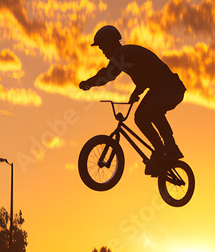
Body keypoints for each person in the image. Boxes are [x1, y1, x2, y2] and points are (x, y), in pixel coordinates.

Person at [79, 25, 187, 176]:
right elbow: (145, 75)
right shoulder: (125, 55)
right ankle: (159, 151)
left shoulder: (123, 54)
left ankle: (170, 147)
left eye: (103, 47)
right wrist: (136, 92)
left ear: (110, 42)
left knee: (153, 110)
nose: (102, 51)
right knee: (140, 117)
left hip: (170, 88)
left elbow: (108, 75)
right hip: (159, 88)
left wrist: (88, 83)